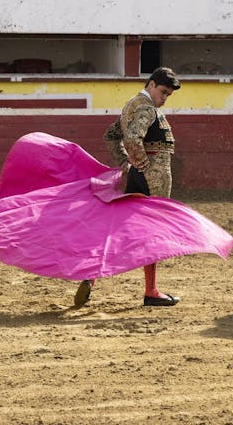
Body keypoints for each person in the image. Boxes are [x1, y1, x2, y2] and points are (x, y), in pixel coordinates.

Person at [74, 66, 182, 308]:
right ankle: (151, 291)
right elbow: (132, 139)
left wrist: (126, 162)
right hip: (152, 179)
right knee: (151, 232)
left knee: (119, 229)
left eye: (168, 95)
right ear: (151, 84)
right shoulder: (146, 108)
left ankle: (91, 276)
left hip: (137, 176)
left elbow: (111, 135)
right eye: (163, 92)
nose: (164, 98)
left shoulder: (131, 106)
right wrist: (143, 165)